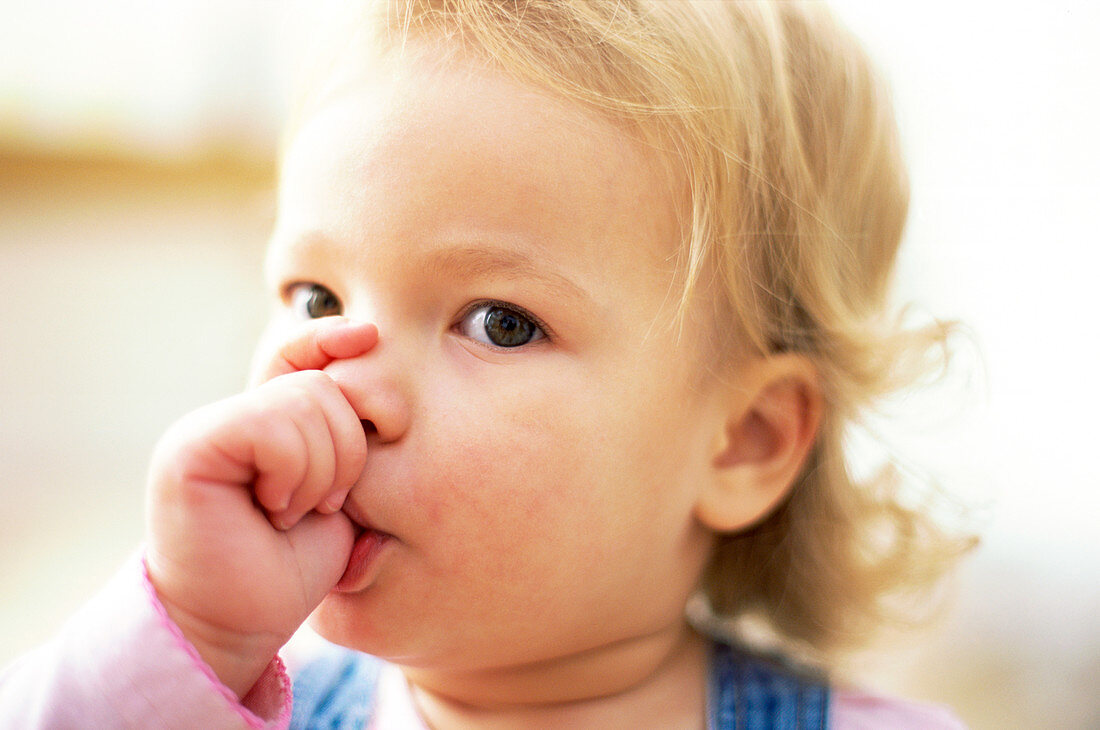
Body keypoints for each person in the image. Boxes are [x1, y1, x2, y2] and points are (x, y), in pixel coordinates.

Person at [0, 1, 976, 727]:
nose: (350, 388)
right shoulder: (217, 704)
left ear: (743, 443)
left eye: (499, 322)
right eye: (317, 299)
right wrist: (194, 631)